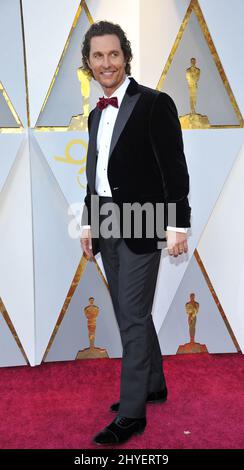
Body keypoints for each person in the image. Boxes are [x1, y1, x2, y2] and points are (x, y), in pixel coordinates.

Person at [80, 21, 191, 446]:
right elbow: (95, 175)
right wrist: (90, 223)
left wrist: (178, 224)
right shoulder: (95, 114)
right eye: (97, 56)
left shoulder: (154, 103)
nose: (106, 63)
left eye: (113, 54)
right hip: (106, 220)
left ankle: (132, 414)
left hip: (145, 220)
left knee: (129, 316)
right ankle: (155, 385)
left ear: (125, 56)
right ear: (88, 64)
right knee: (133, 312)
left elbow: (174, 169)